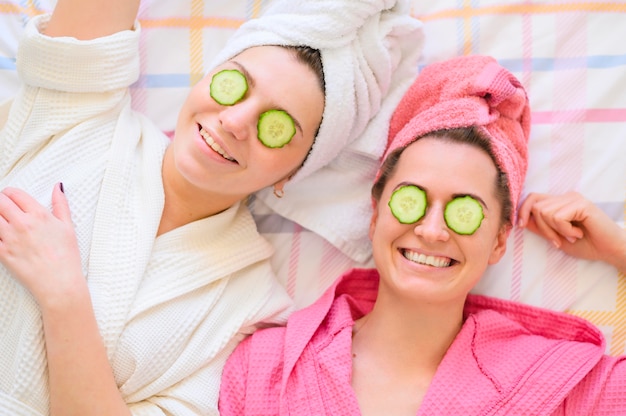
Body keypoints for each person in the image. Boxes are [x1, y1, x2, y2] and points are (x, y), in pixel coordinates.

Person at [0, 0, 423, 414]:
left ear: (291, 175)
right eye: (234, 85)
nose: (236, 122)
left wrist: (65, 297)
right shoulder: (83, 106)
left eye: (276, 128)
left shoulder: (251, 311)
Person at [218, 55, 626, 415]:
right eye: (410, 201)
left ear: (500, 240)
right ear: (376, 215)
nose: (431, 230)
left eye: (462, 211)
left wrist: (619, 250)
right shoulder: (262, 368)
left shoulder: (561, 384)